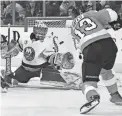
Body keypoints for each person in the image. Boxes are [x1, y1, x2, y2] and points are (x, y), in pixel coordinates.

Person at [68, 6, 122, 114]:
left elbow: (79, 46)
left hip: (91, 49)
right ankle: (115, 96)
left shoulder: (72, 28)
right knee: (106, 70)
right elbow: (111, 15)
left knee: (87, 82)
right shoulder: (91, 14)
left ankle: (93, 96)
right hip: (109, 45)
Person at [1, 22, 74, 90]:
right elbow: (17, 49)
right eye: (40, 30)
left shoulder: (46, 42)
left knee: (58, 79)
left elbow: (50, 57)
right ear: (35, 30)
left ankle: (66, 79)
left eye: (44, 31)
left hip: (42, 69)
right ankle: (6, 75)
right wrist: (9, 53)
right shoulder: (24, 38)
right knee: (13, 80)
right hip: (25, 69)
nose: (42, 33)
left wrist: (59, 59)